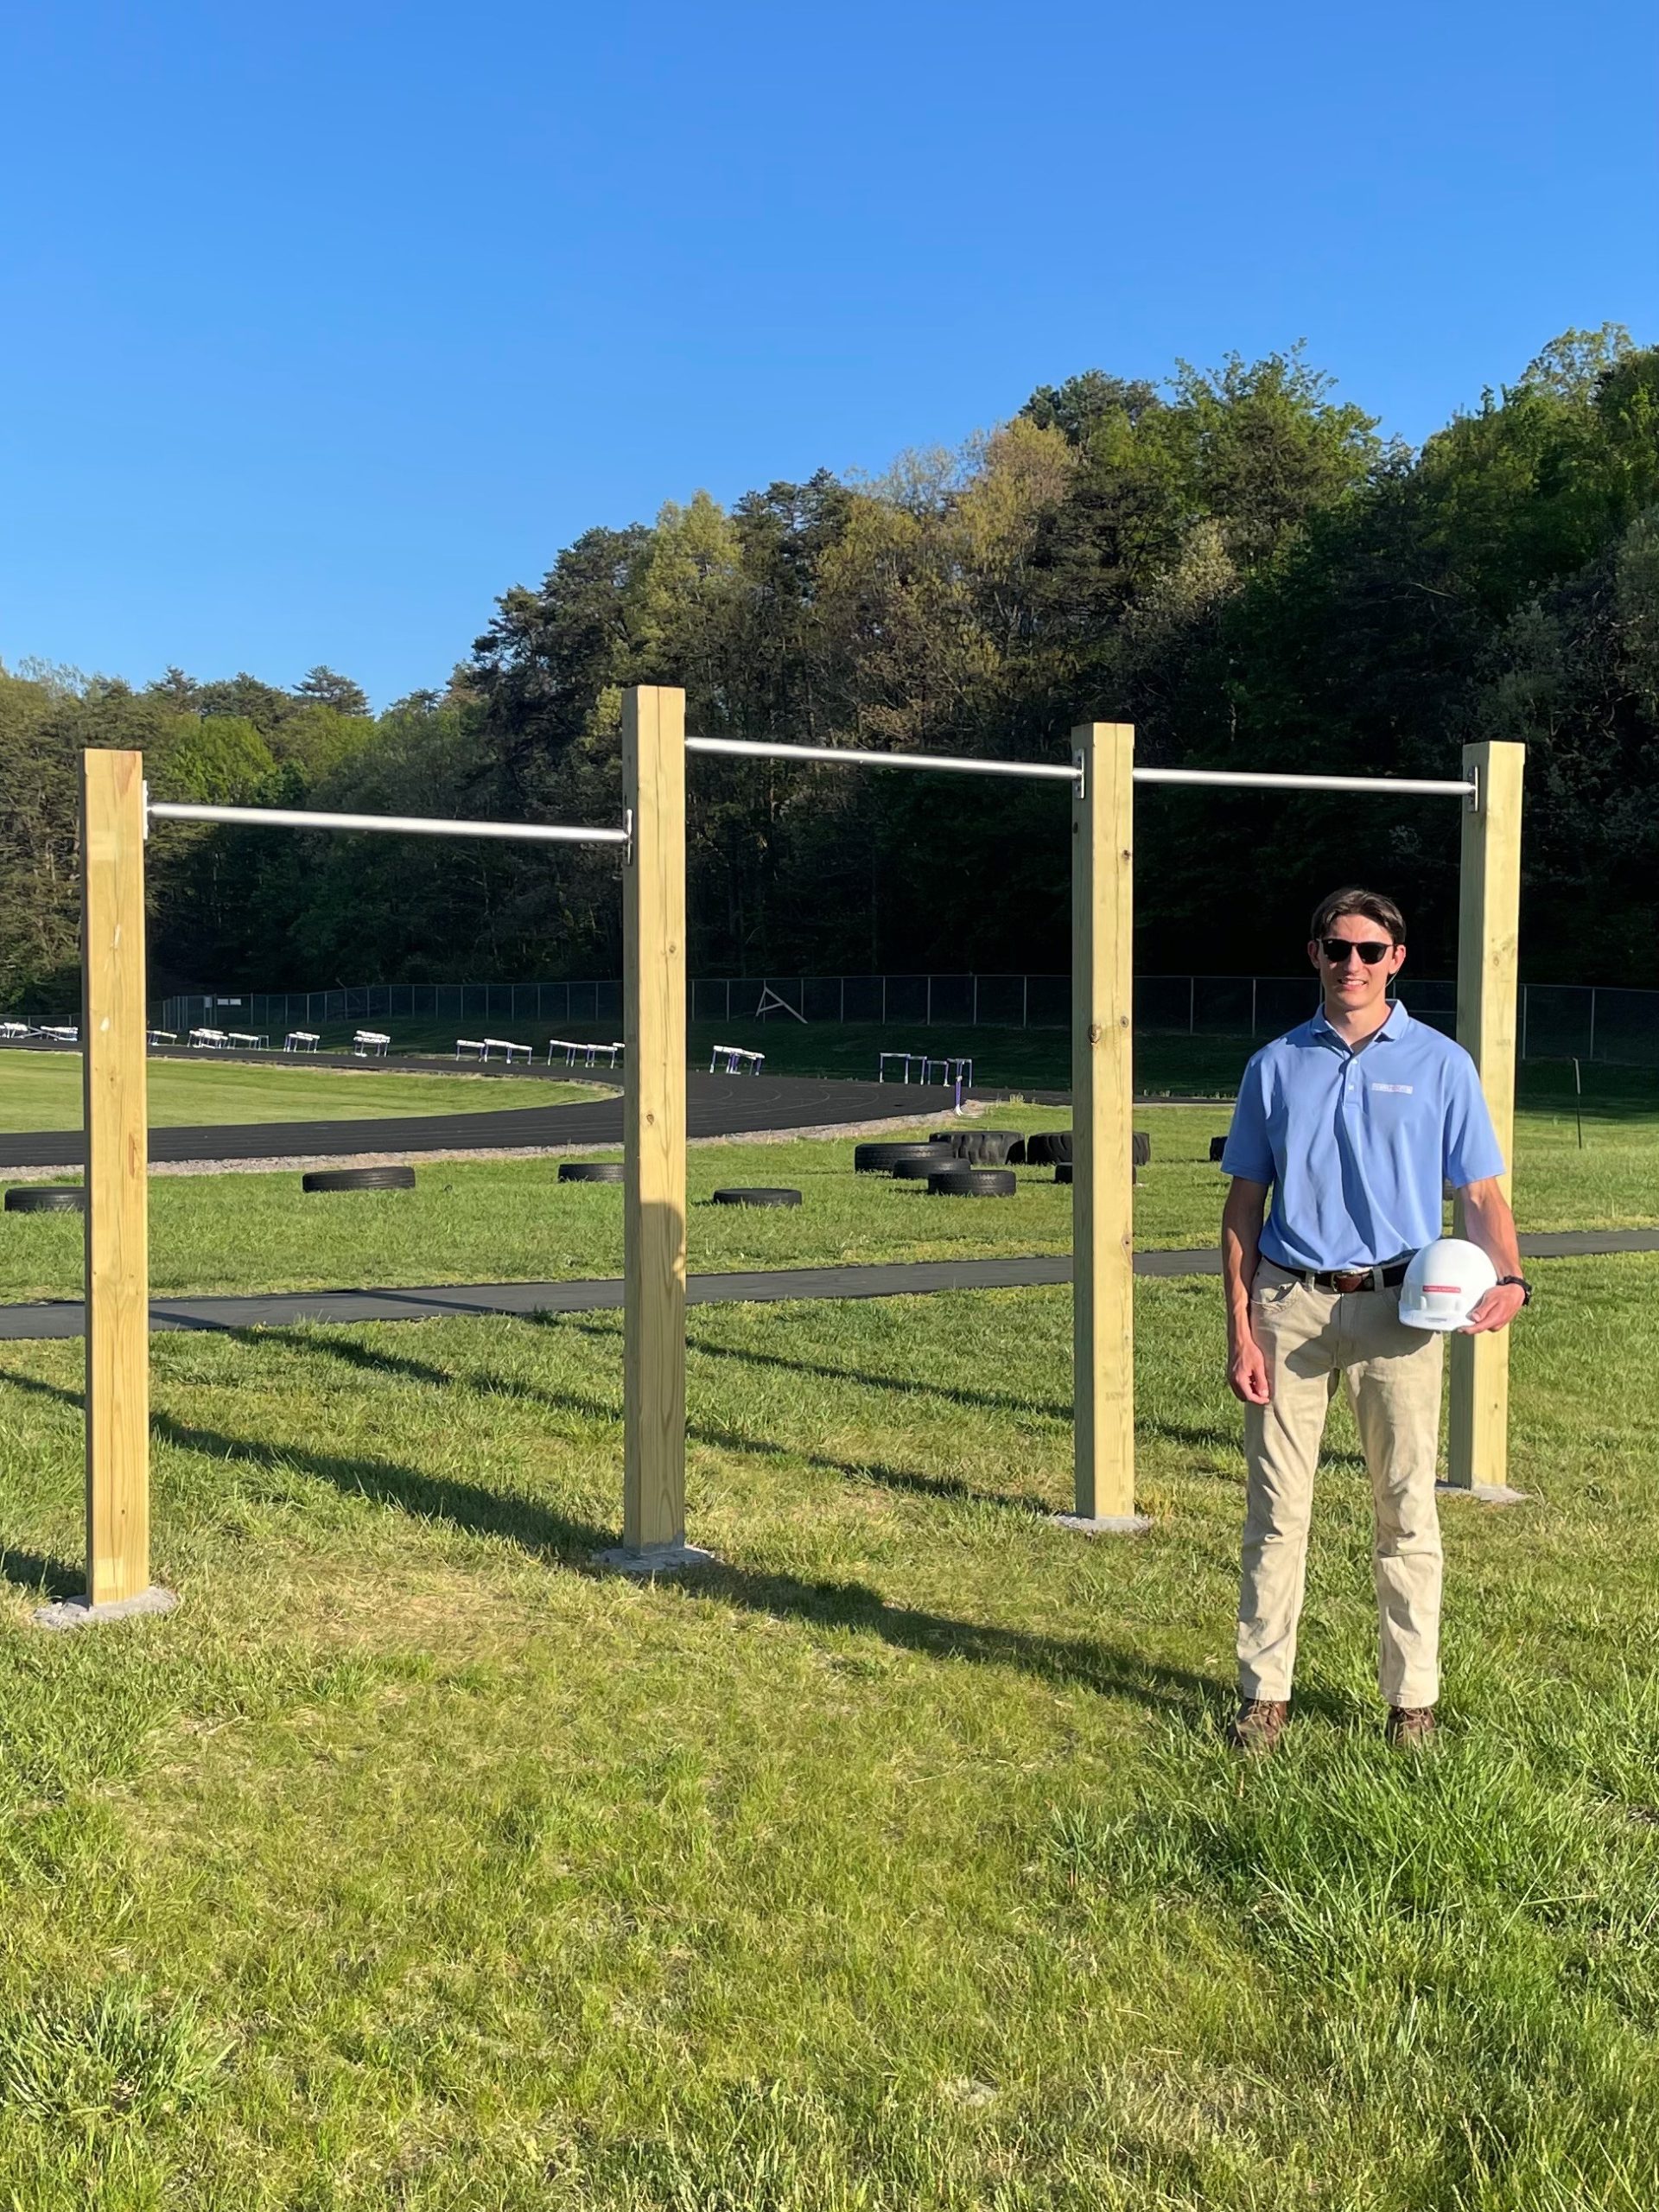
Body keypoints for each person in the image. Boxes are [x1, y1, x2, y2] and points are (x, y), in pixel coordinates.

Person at [1219, 888, 1530, 1753]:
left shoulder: (1440, 1064)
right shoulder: (1274, 1065)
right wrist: (1241, 1328)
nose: (1349, 962)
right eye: (1335, 946)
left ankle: (1413, 1703)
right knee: (1278, 1511)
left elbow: (1478, 1192)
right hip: (1291, 1304)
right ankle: (1264, 1694)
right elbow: (1244, 1205)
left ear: (1396, 958)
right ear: (1313, 954)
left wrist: (1509, 1274)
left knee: (1405, 1508)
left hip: (1402, 1309)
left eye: (1367, 948)